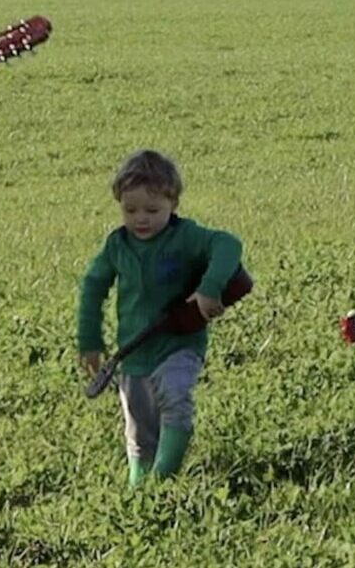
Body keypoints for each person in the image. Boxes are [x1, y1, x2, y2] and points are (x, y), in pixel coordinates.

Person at [77, 150, 244, 486]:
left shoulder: (185, 236)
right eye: (130, 210)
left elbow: (228, 244)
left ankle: (165, 479)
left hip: (179, 345)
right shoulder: (117, 246)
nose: (141, 219)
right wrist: (90, 341)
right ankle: (140, 490)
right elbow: (93, 288)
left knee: (175, 398)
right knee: (138, 428)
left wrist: (210, 288)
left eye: (153, 210)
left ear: (173, 204)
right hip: (134, 353)